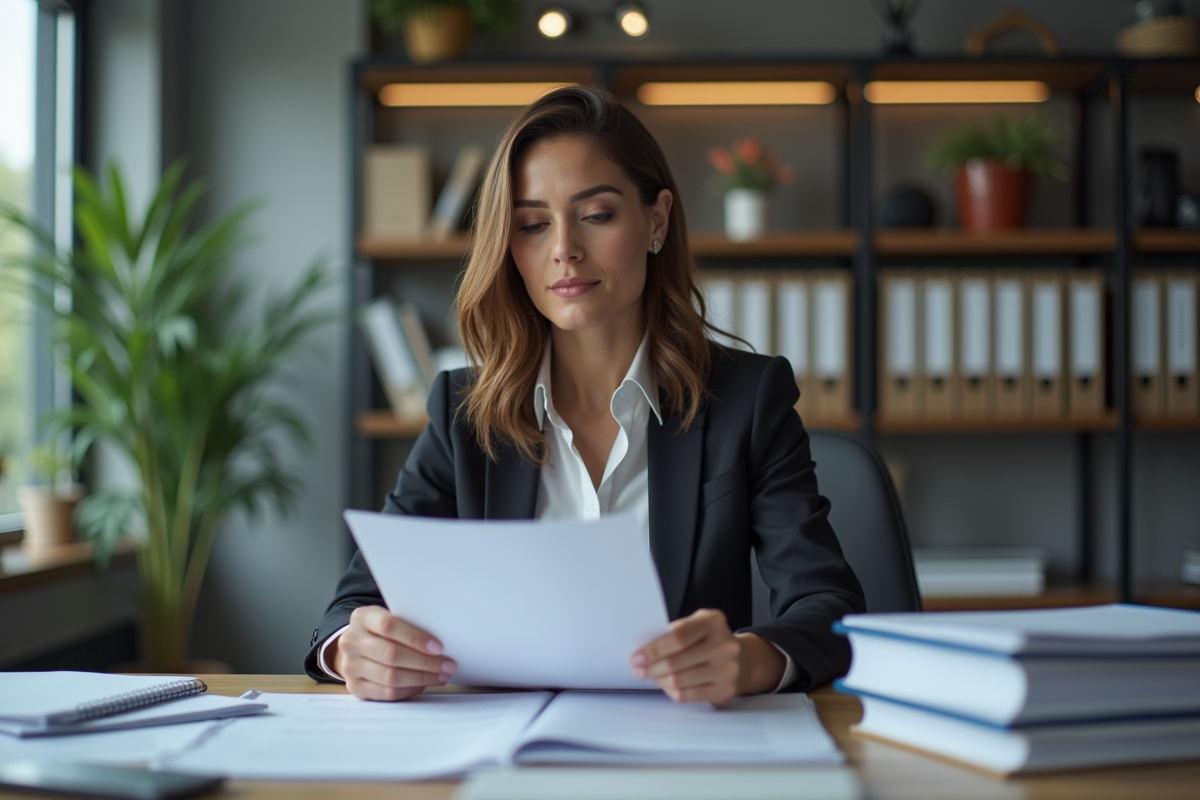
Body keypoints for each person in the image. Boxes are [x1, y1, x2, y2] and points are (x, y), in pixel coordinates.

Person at [305, 85, 865, 706]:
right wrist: (351, 650)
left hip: (687, 747)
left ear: (656, 220)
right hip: (502, 752)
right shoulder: (463, 412)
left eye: (596, 215)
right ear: (508, 247)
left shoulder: (748, 400)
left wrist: (749, 659)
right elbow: (351, 606)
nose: (564, 249)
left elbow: (829, 607)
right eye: (532, 224)